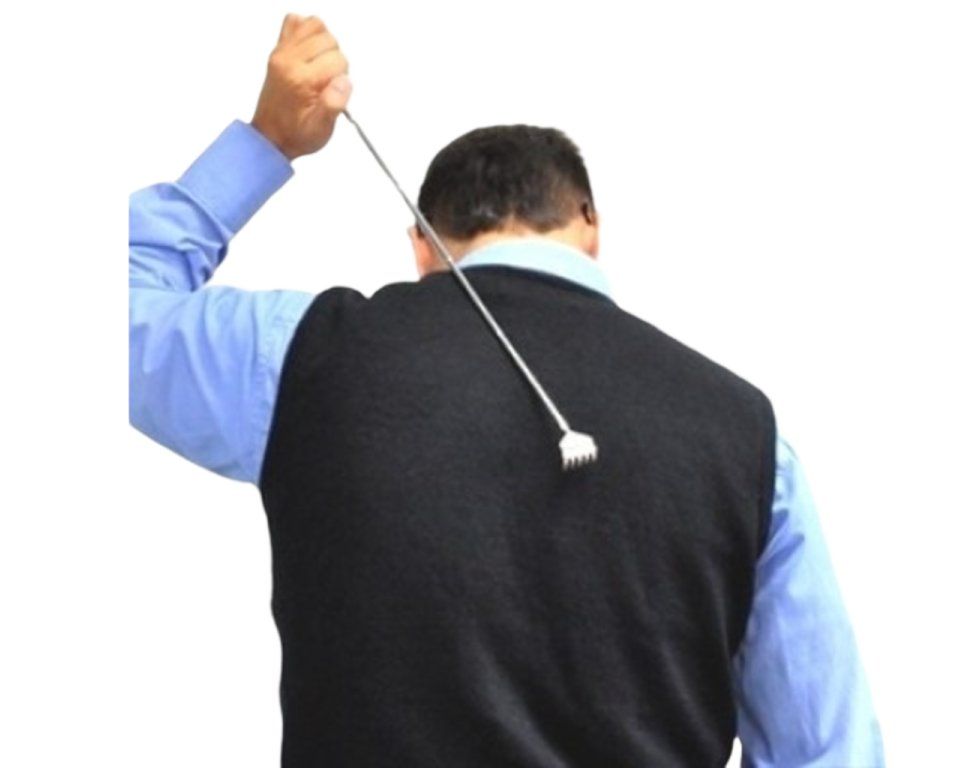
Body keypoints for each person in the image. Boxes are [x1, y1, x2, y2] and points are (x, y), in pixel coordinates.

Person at [128, 13, 884, 768]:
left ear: (422, 246)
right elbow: (829, 754)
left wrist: (268, 141)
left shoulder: (299, 358)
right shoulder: (748, 435)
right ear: (590, 225)